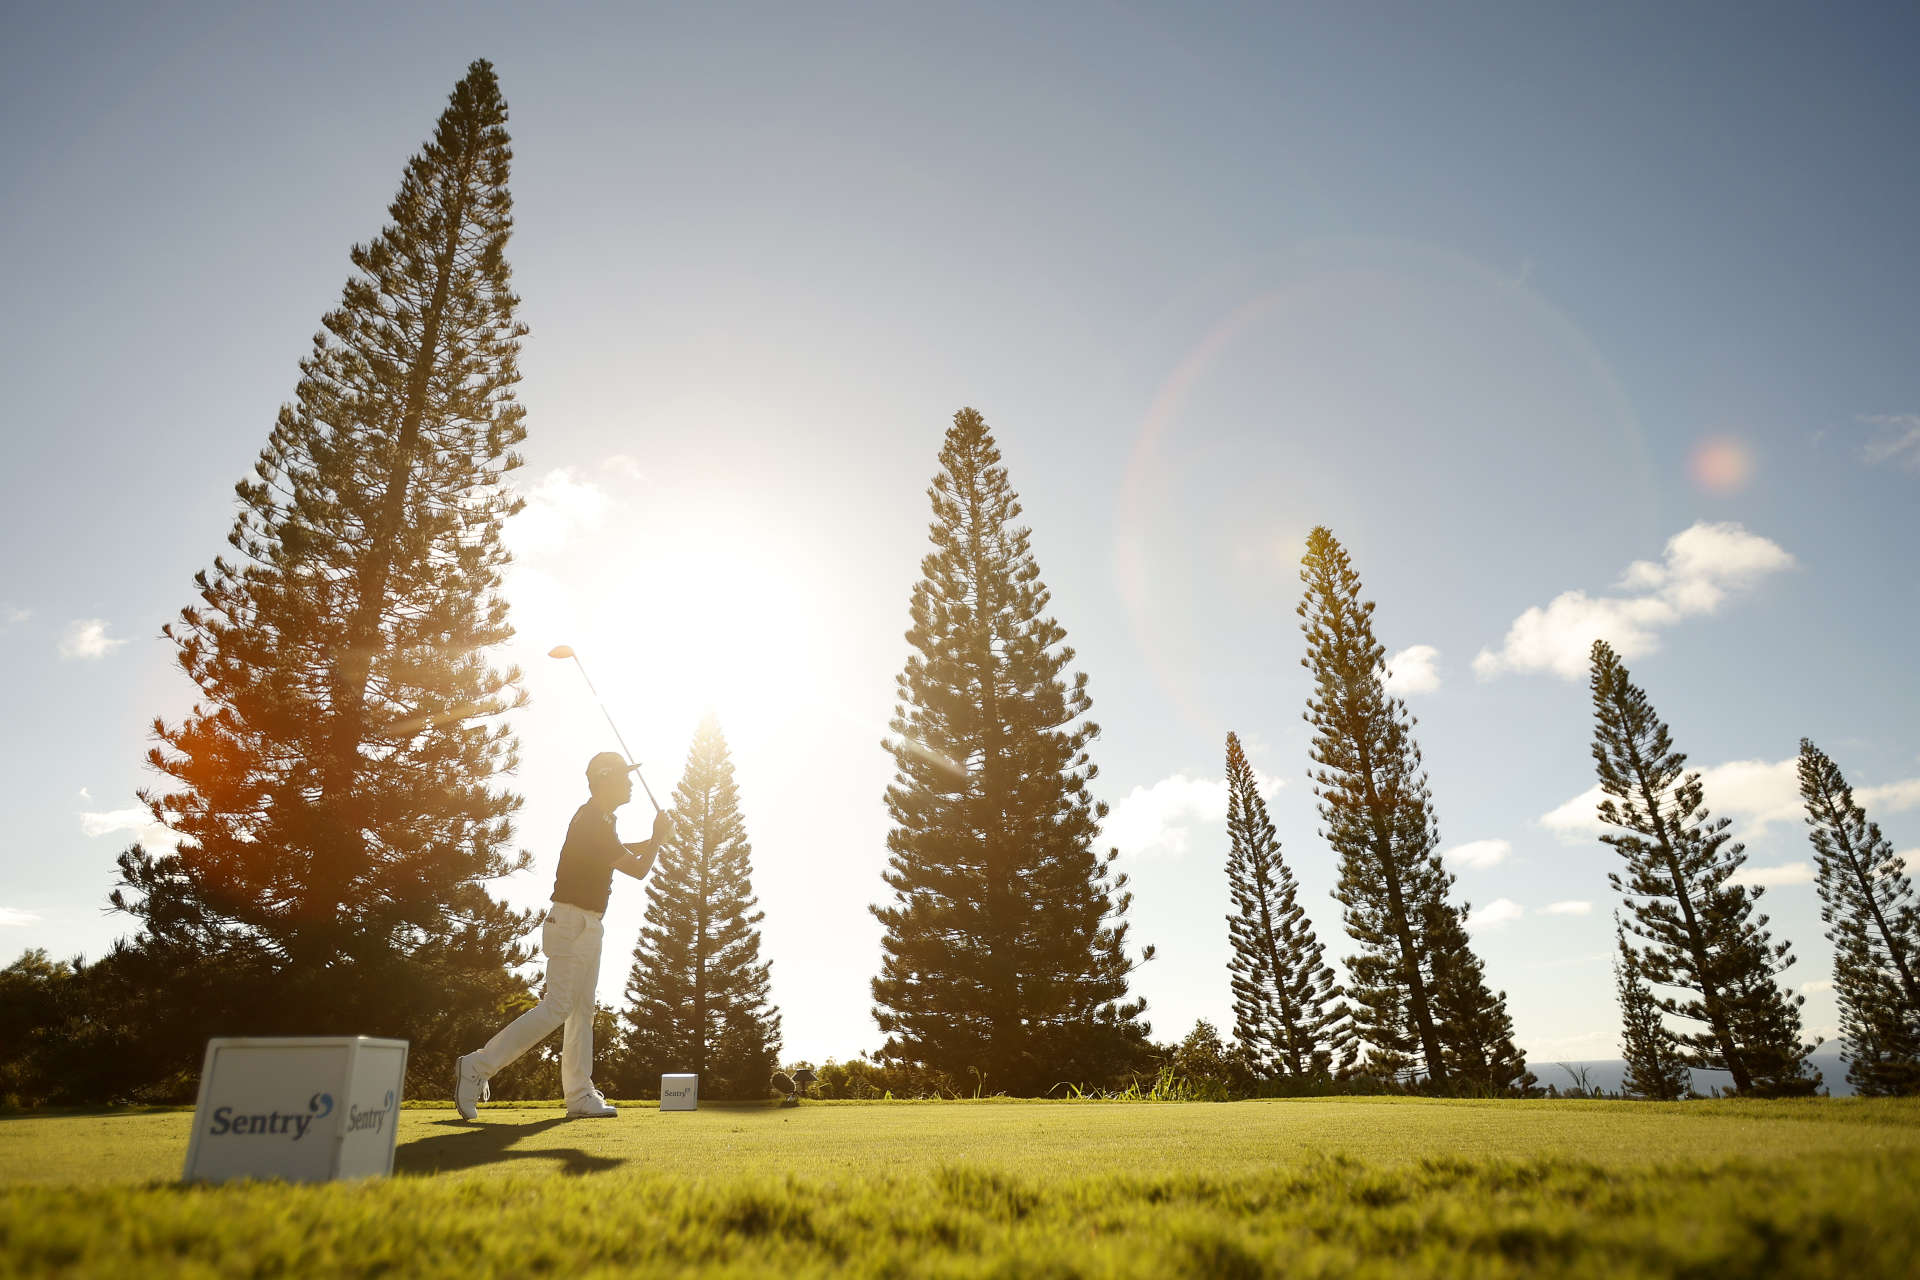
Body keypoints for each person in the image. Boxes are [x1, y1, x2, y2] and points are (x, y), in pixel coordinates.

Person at [456, 750, 671, 1119]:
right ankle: (477, 1066)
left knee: (581, 1012)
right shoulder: (593, 820)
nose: (631, 783)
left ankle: (579, 1095)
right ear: (606, 779)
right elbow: (637, 871)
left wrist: (655, 840)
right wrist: (656, 839)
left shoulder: (601, 821)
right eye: (625, 777)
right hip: (571, 922)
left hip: (587, 924)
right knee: (558, 1007)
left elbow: (620, 854)